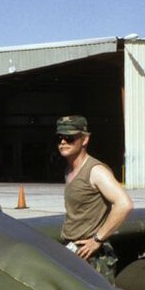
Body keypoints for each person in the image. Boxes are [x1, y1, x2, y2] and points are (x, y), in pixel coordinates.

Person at [57, 115, 133, 279]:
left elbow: (124, 204)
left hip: (92, 257)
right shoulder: (69, 171)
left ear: (84, 140)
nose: (63, 142)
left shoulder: (95, 171)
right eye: (60, 137)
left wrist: (97, 240)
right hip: (74, 251)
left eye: (69, 138)